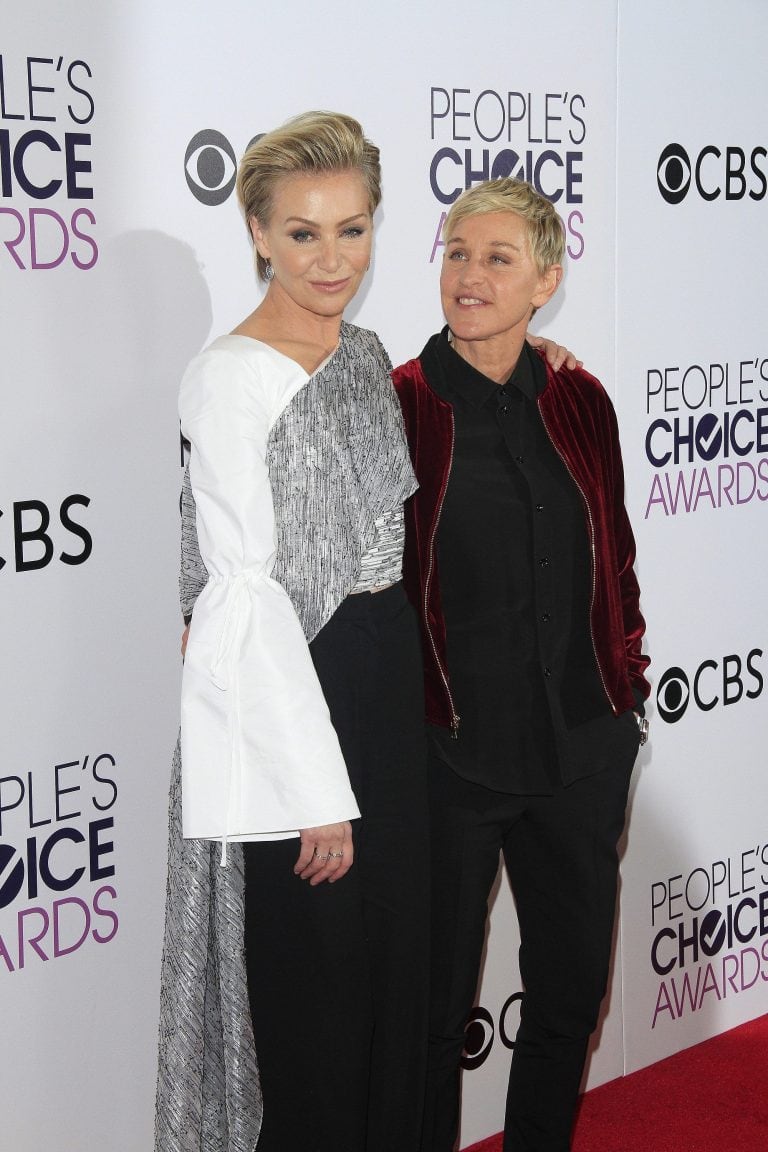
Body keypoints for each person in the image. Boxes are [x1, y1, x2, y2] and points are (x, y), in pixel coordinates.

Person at [155, 113, 576, 1152]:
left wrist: (536, 351)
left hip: (387, 700)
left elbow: (429, 445)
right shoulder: (229, 379)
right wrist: (310, 795)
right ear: (256, 232)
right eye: (303, 234)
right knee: (318, 1014)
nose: (332, 259)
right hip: (295, 705)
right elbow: (239, 599)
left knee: (396, 991)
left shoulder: (367, 355)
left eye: (353, 230)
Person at [392, 178, 651, 1152]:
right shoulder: (403, 409)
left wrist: (626, 686)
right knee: (429, 1014)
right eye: (458, 253)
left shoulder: (581, 399)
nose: (470, 276)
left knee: (569, 995)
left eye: (498, 258)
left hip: (581, 756)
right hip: (451, 767)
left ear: (545, 278)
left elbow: (614, 555)